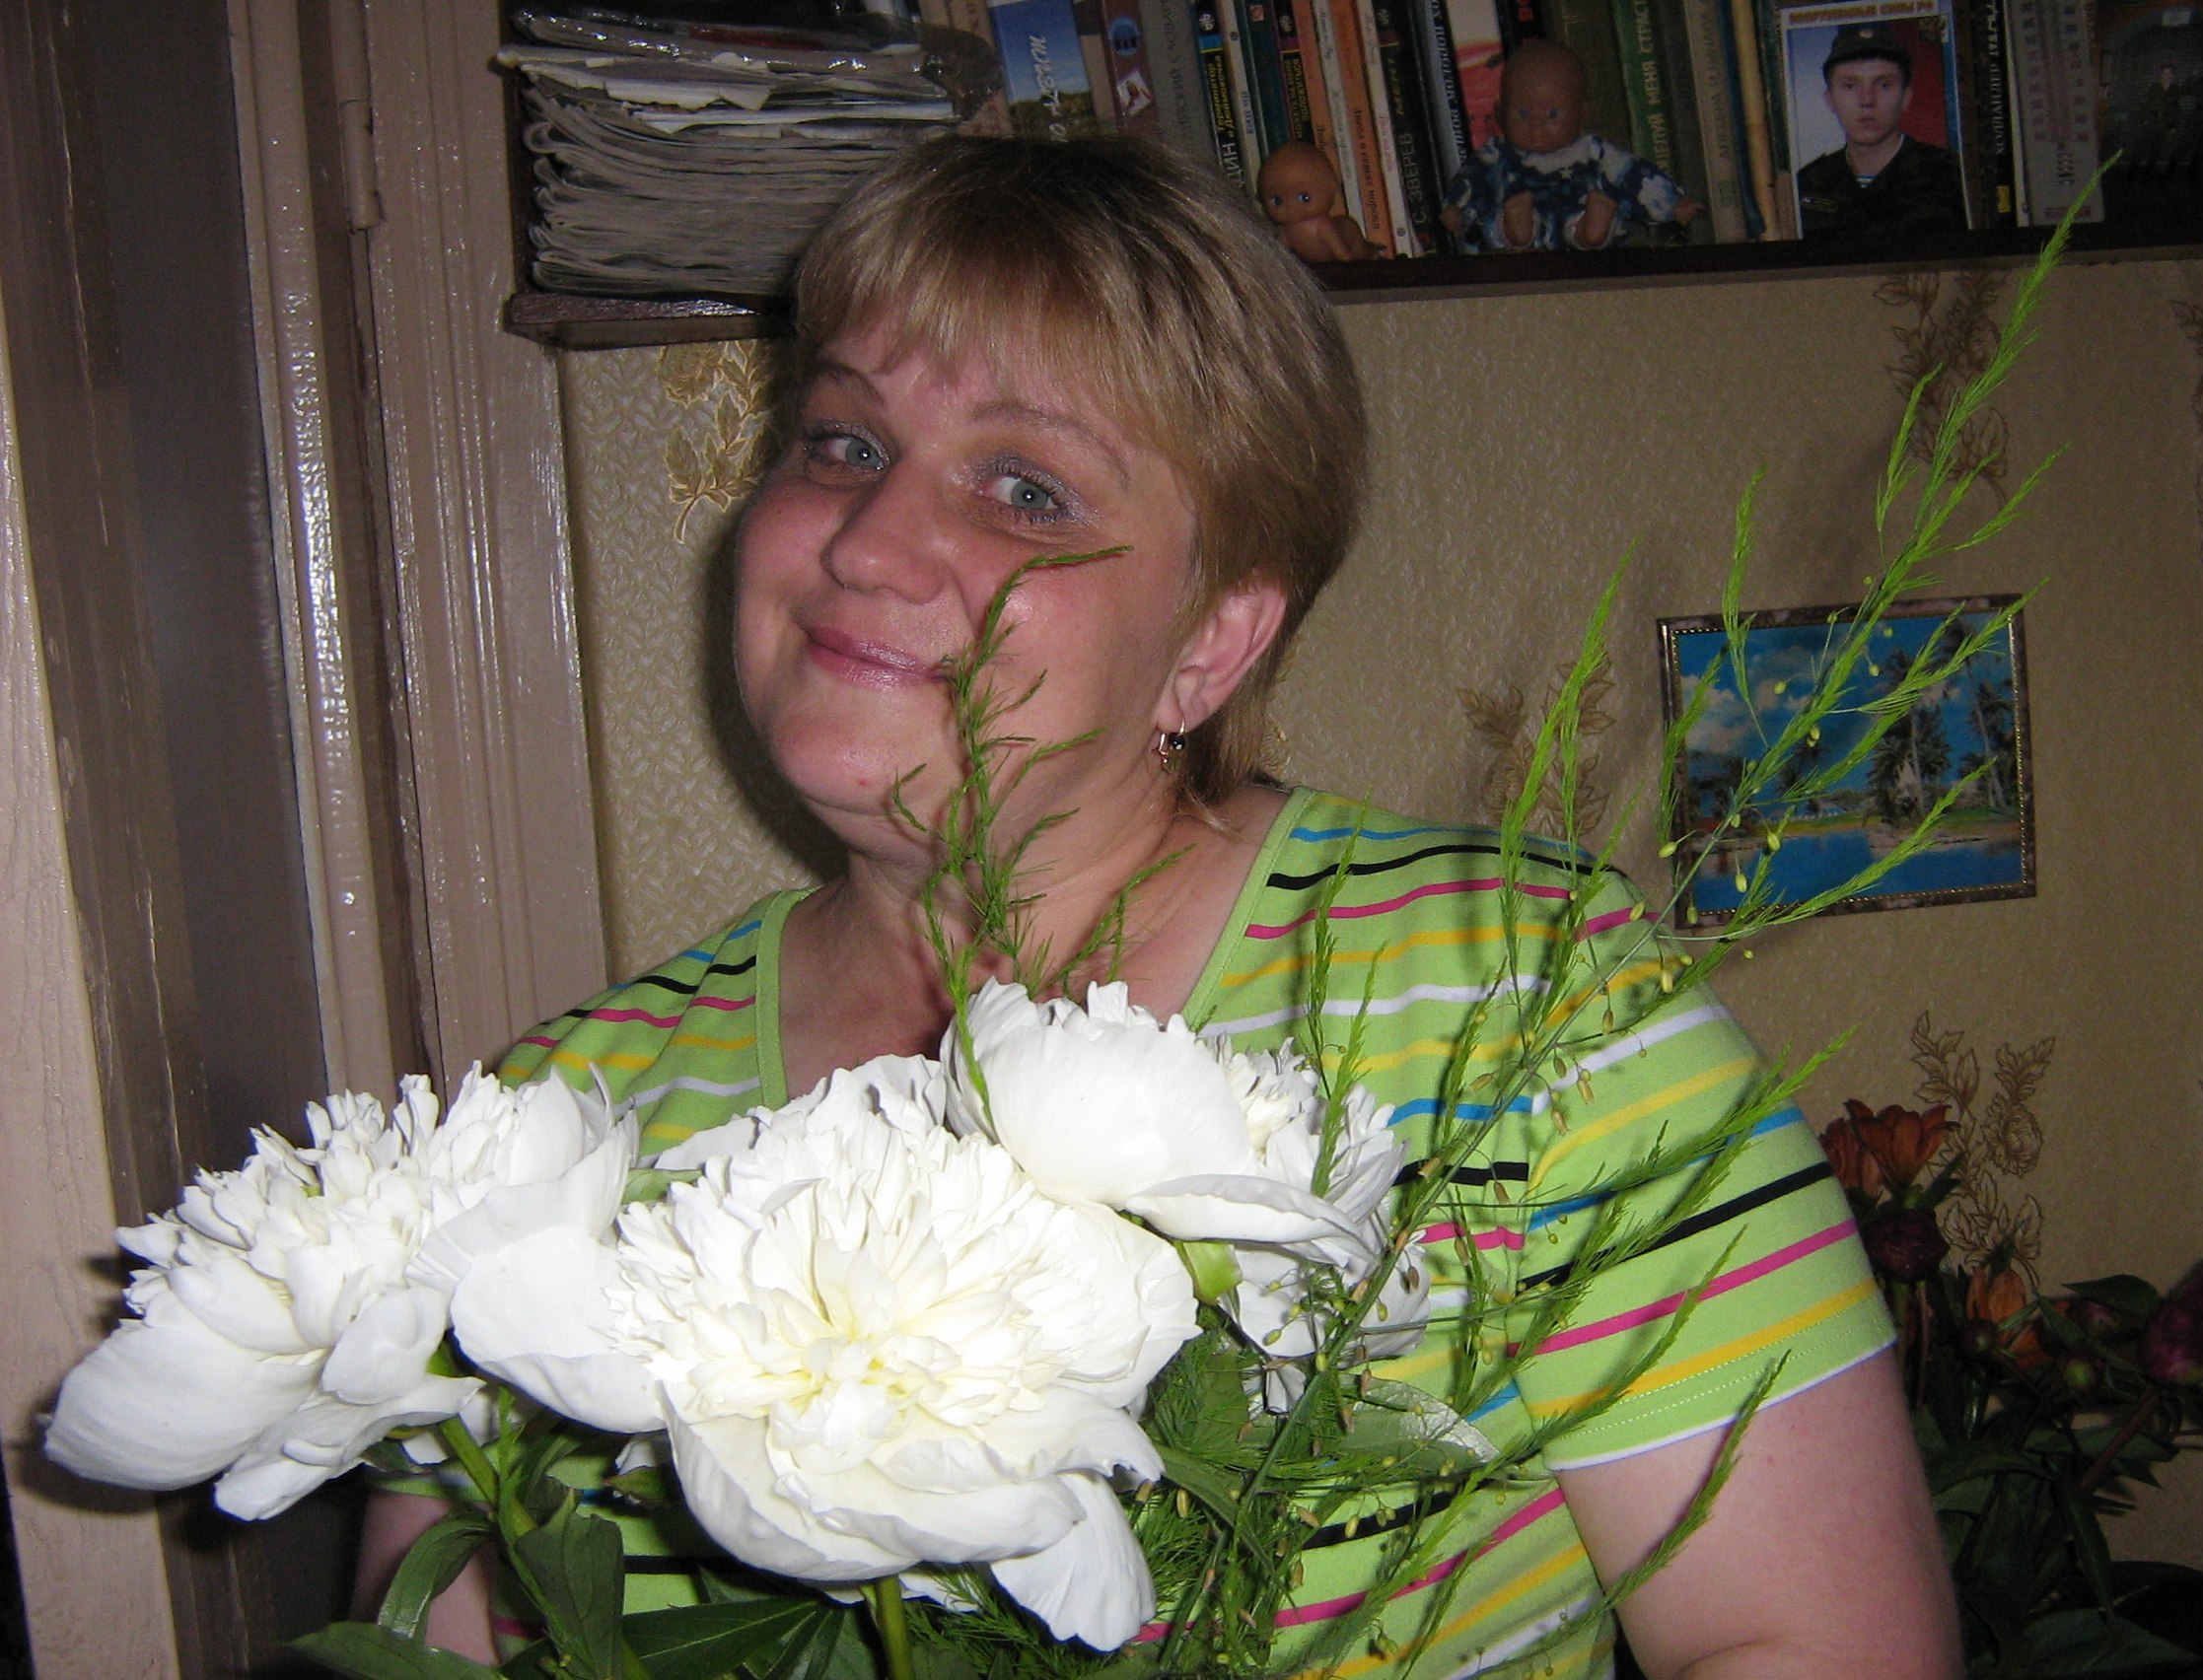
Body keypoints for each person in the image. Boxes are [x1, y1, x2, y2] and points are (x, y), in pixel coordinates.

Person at [361, 135, 1962, 1679]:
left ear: (1212, 640)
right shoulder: (543, 1134)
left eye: (1024, 487)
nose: (867, 540)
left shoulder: (1528, 1003)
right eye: (842, 441)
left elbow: (1820, 1642)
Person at [1441, 38, 1697, 250]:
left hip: (1577, 215)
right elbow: (1471, 180)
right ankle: (1514, 229)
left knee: (1594, 216)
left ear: (1583, 114)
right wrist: (1456, 207)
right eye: (1522, 113)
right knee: (1493, 223)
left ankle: (1591, 229)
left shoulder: (1594, 152)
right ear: (1499, 113)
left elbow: (1633, 176)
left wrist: (1672, 204)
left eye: (1552, 115)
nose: (1536, 126)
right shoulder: (1497, 155)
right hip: (1517, 234)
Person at [1796, 24, 1968, 239]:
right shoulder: (1808, 183)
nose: (1867, 100)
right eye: (1850, 86)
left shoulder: (1953, 176)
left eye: (1884, 85)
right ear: (1829, 99)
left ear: (1906, 97)